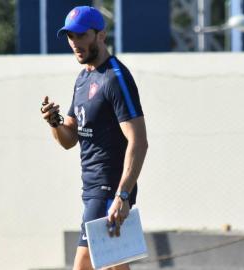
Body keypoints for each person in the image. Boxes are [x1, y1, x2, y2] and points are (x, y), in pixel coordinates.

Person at [40, 6, 148, 270]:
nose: (75, 43)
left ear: (101, 35)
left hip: (109, 190)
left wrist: (122, 195)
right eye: (70, 36)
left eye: (81, 35)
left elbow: (139, 141)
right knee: (114, 265)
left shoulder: (115, 78)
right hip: (90, 190)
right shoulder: (83, 78)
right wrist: (55, 122)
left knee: (84, 264)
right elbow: (69, 139)